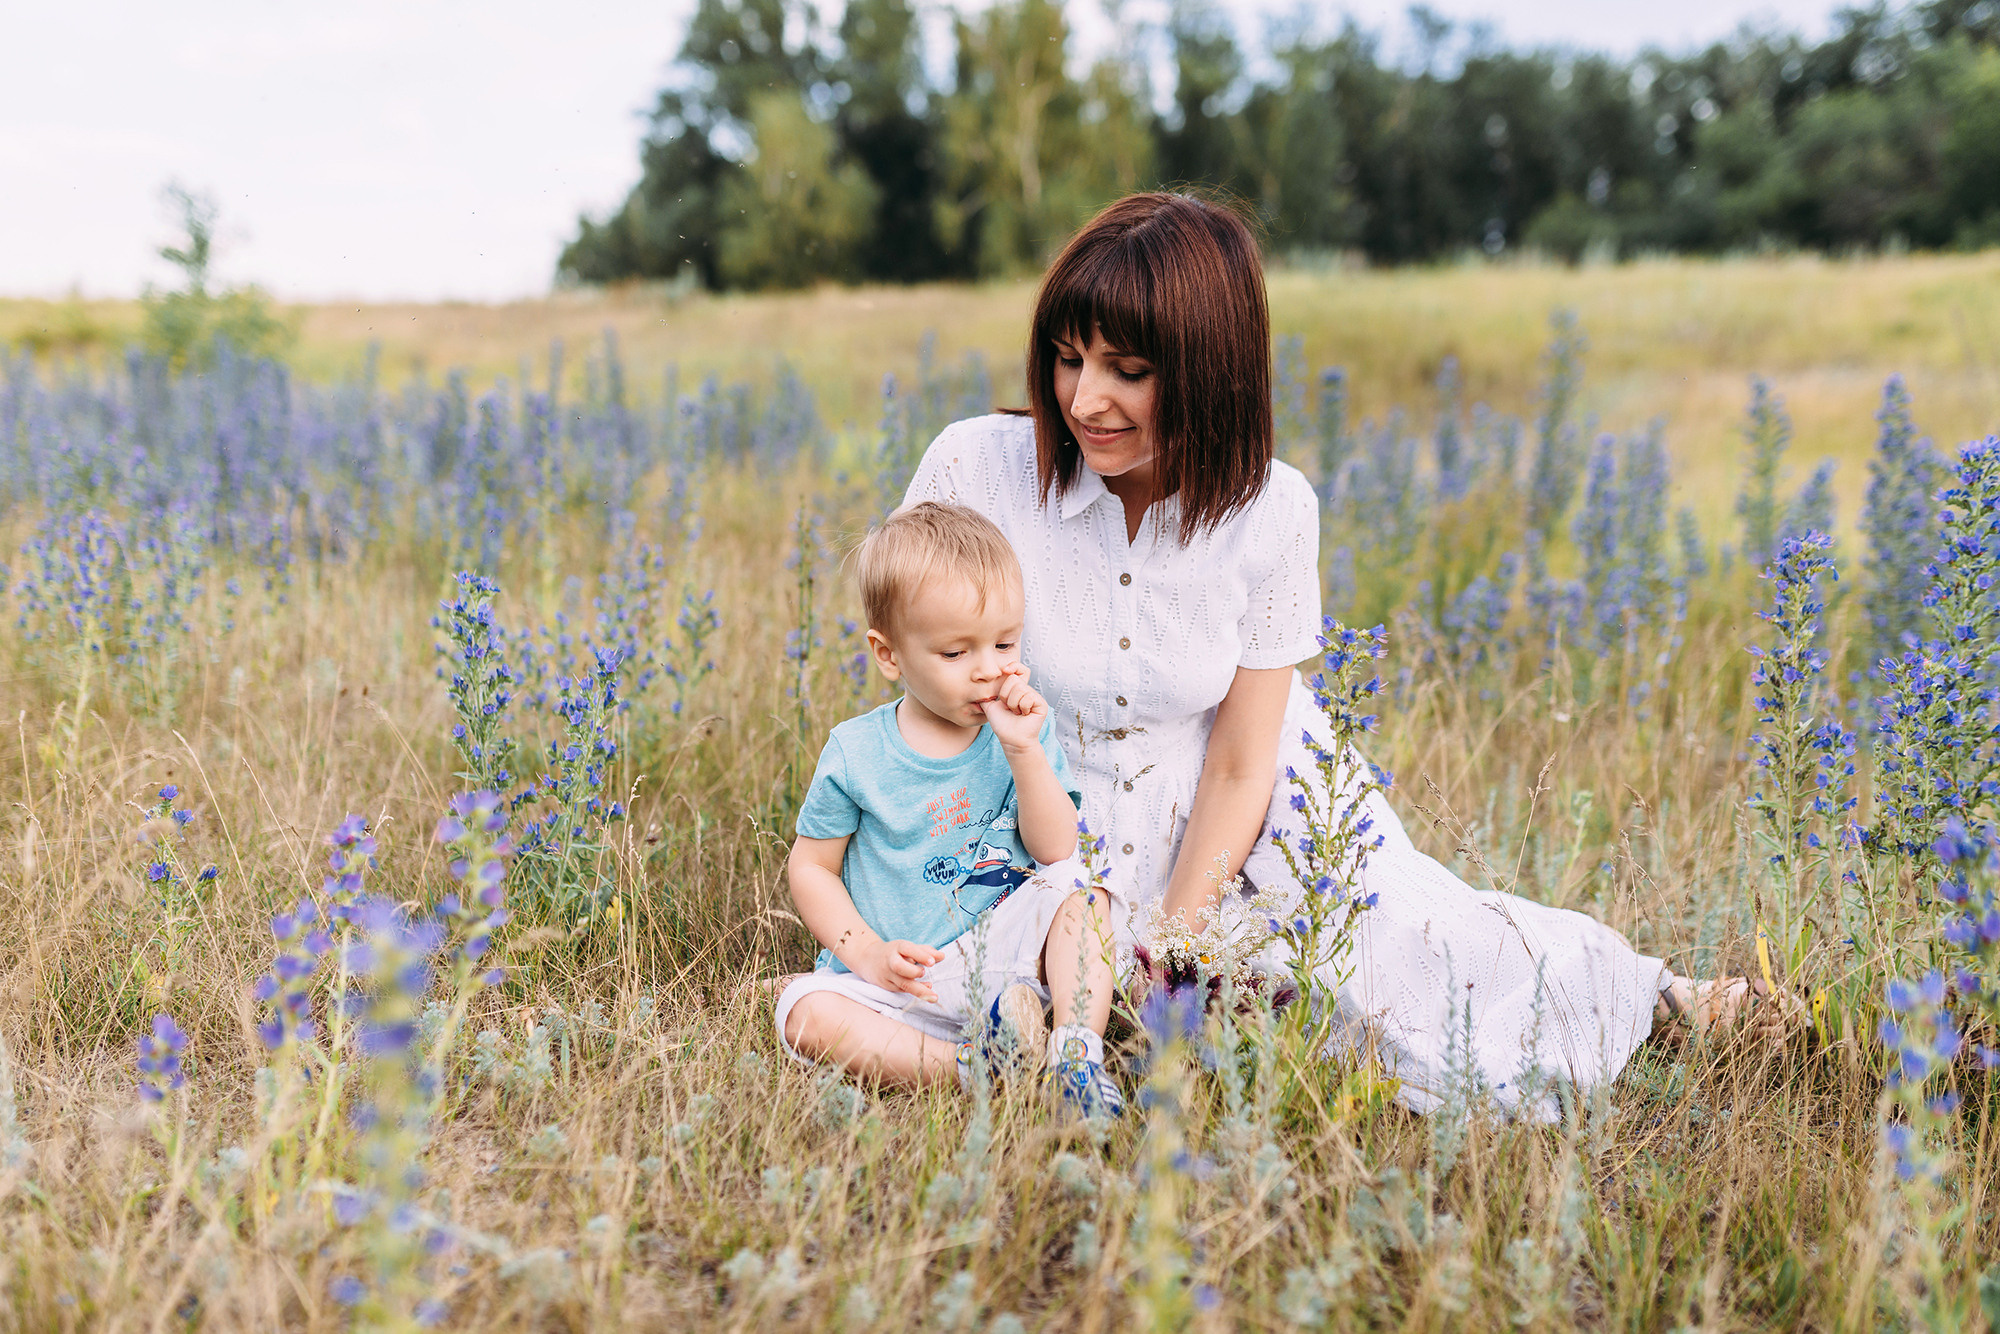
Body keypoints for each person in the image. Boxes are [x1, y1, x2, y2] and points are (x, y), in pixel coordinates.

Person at [904, 191, 1781, 1119]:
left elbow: (1244, 760)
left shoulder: (1271, 509)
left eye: (1129, 369)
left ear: (1208, 371)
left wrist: (1177, 945)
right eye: (1069, 358)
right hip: (1035, 795)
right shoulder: (976, 468)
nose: (1085, 399)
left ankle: (1658, 998)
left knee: (1379, 967)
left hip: (1233, 797)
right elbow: (910, 689)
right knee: (971, 1001)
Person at [776, 501, 1124, 1117]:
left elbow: (1054, 850)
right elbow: (812, 869)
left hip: (1005, 963)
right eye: (956, 653)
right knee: (806, 1013)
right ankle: (974, 1069)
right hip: (898, 975)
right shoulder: (857, 751)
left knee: (1085, 902)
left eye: (1005, 642)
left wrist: (1023, 752)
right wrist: (864, 953)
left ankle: (1074, 1059)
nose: (989, 669)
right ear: (890, 655)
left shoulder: (1022, 732)